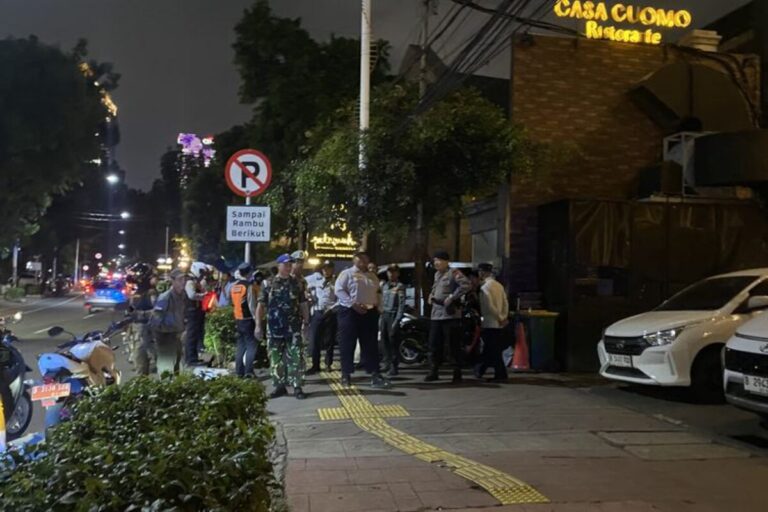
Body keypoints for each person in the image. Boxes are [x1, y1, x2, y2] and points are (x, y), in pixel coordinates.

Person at [256, 254, 310, 399]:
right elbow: (261, 306)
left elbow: (303, 304)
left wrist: (306, 322)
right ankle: (279, 386)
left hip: (293, 327)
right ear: (279, 266)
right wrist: (258, 326)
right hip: (274, 328)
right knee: (275, 357)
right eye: (285, 264)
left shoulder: (297, 283)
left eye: (290, 264)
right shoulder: (268, 284)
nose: (288, 267)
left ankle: (297, 386)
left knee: (296, 357)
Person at [335, 252, 389, 388]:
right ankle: (346, 374)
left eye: (365, 258)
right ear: (354, 260)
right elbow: (339, 290)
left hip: (369, 313)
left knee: (370, 344)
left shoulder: (372, 276)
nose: (363, 261)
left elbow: (378, 293)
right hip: (350, 312)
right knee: (347, 344)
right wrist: (352, 304)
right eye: (360, 258)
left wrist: (379, 308)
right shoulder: (346, 274)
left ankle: (375, 374)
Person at [426, 250, 471, 383]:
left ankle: (457, 372)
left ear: (446, 261)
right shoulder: (436, 275)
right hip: (436, 314)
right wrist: (431, 295)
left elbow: (466, 285)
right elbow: (436, 289)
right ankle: (433, 370)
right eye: (435, 261)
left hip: (449, 315)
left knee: (453, 344)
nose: (436, 263)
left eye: (438, 260)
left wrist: (452, 297)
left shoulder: (453, 273)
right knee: (434, 344)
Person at [149, 269, 188, 376]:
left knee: (176, 365)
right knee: (166, 368)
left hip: (176, 335)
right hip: (165, 336)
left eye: (184, 279)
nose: (183, 282)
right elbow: (155, 320)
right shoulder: (165, 297)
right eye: (180, 279)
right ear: (172, 281)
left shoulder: (182, 295)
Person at [475, 263, 510, 382]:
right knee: (492, 349)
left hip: (490, 322)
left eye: (480, 272)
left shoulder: (485, 288)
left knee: (493, 350)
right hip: (500, 323)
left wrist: (499, 317)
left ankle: (500, 374)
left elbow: (489, 306)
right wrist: (504, 316)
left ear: (483, 272)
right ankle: (480, 370)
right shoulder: (499, 286)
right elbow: (505, 302)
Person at [126, 262, 158, 376]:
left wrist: (141, 314)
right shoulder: (138, 292)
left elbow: (157, 311)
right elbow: (130, 310)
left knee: (143, 355)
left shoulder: (150, 292)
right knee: (140, 356)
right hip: (139, 328)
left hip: (147, 329)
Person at [306, 260, 337, 374]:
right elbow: (304, 285)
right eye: (324, 268)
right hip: (317, 311)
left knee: (329, 340)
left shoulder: (336, 282)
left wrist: (333, 308)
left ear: (332, 269)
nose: (326, 270)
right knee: (315, 340)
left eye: (328, 268)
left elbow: (340, 298)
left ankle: (328, 364)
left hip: (330, 312)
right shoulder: (315, 280)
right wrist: (308, 294)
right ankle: (315, 365)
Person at [230, 262, 259, 378]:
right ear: (249, 273)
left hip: (238, 319)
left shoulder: (234, 286)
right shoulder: (248, 286)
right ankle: (249, 371)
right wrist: (257, 321)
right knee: (251, 346)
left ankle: (239, 371)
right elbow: (252, 305)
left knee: (241, 346)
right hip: (248, 319)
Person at [380, 264, 406, 376]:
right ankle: (387, 363)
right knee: (384, 340)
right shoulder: (384, 286)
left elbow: (401, 305)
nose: (391, 274)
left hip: (393, 315)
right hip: (384, 315)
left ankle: (394, 366)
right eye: (389, 272)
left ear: (398, 273)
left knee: (393, 341)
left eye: (394, 272)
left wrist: (397, 320)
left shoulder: (400, 286)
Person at [184, 262, 209, 366]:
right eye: (201, 272)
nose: (203, 275)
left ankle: (193, 357)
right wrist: (204, 295)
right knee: (191, 336)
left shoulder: (194, 281)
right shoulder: (189, 281)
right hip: (191, 311)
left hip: (195, 311)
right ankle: (191, 359)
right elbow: (192, 295)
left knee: (195, 335)